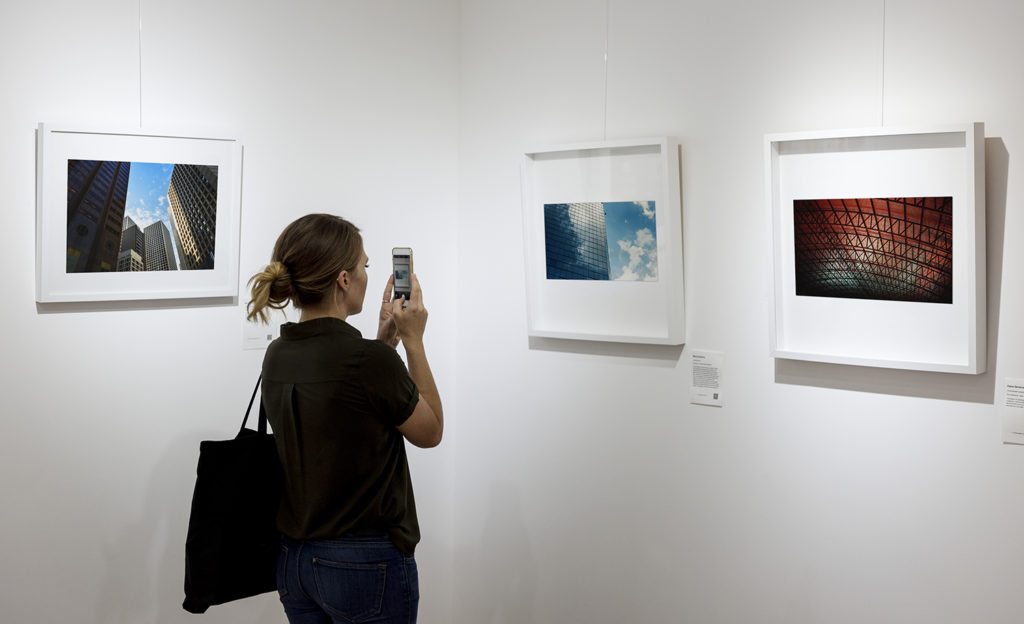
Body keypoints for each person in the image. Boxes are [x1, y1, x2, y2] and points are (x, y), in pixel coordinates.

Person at [246, 213, 443, 624]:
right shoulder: (367, 362)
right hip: (363, 564)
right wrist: (413, 342)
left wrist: (383, 342)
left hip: (295, 562)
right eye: (364, 267)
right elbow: (430, 431)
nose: (368, 276)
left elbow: (346, 407)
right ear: (342, 279)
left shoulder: (277, 354)